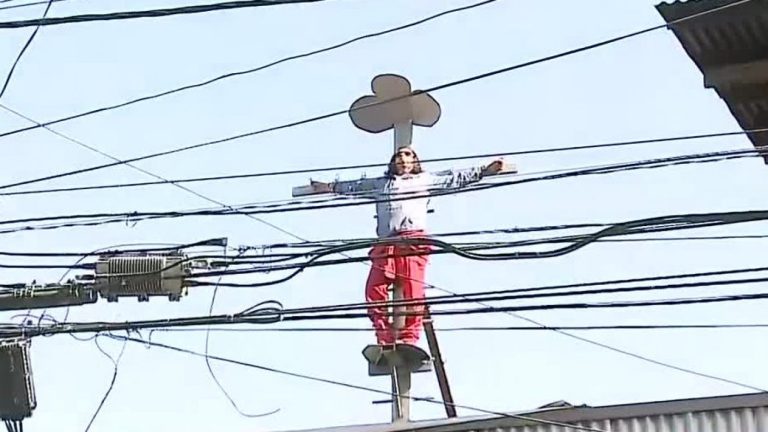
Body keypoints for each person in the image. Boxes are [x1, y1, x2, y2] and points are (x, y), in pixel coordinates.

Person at [311, 147, 505, 346]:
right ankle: (384, 337)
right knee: (374, 290)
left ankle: (409, 339)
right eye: (399, 155)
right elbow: (355, 186)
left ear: (415, 161)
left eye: (408, 155)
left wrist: (484, 171)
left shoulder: (424, 180)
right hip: (386, 243)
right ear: (393, 162)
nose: (403, 159)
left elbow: (454, 178)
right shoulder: (382, 184)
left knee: (413, 292)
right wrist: (330, 187)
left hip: (414, 241)